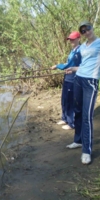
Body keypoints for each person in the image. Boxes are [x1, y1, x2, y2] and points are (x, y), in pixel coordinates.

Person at [65, 21, 100, 165]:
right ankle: (78, 140)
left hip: (90, 82)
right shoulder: (84, 46)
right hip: (78, 79)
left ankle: (87, 150)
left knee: (87, 116)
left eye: (88, 29)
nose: (86, 32)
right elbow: (84, 65)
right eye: (83, 31)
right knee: (77, 111)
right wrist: (73, 69)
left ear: (92, 28)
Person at [51, 31, 81, 130]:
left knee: (70, 101)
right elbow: (68, 63)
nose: (71, 41)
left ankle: (71, 123)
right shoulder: (73, 50)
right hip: (67, 78)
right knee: (64, 99)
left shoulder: (78, 51)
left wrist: (57, 66)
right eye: (70, 39)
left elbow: (69, 65)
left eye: (73, 39)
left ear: (78, 39)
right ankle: (64, 118)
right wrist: (61, 65)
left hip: (73, 79)